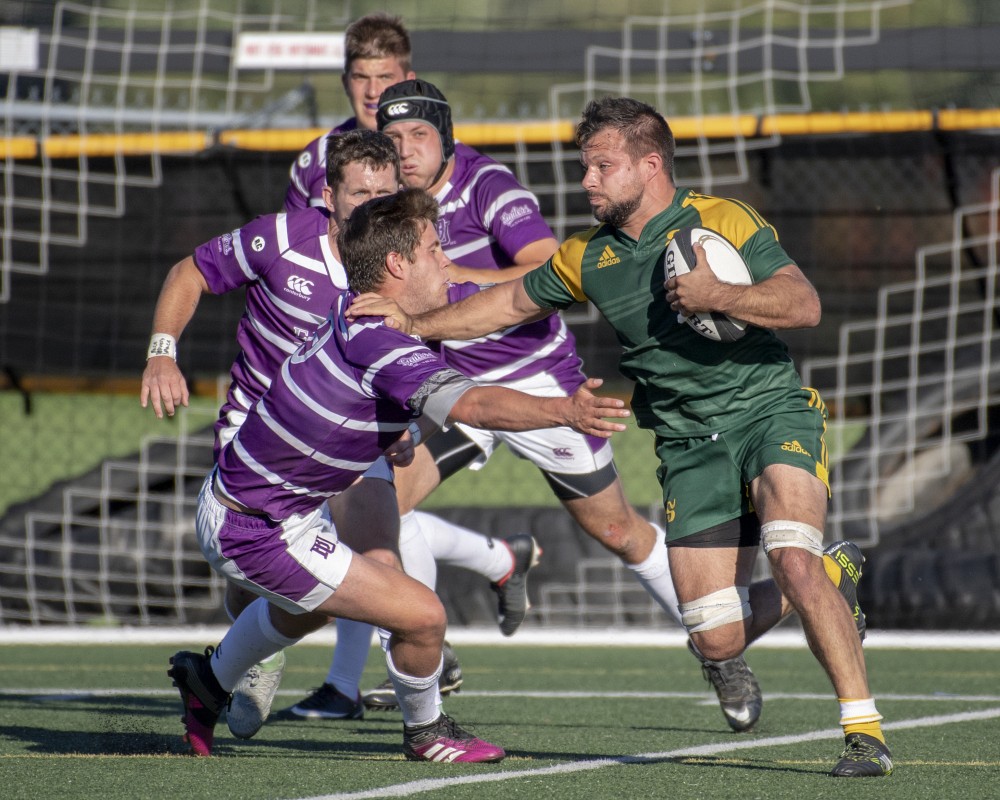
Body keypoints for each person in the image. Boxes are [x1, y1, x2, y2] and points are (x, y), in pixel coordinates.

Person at [348, 97, 891, 777]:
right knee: (717, 642)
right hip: (688, 447)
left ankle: (863, 732)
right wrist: (414, 324)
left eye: (601, 166)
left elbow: (803, 303)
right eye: (586, 167)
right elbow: (509, 303)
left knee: (793, 559)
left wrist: (723, 295)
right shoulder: (590, 256)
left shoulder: (721, 220)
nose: (586, 181)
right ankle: (838, 574)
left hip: (770, 414)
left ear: (650, 165)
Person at [292, 78, 765, 732]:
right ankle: (401, 655)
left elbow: (544, 268)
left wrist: (447, 286)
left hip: (537, 380)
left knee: (619, 531)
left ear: (447, 136)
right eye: (393, 139)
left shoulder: (489, 186)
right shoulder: (393, 207)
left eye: (418, 136)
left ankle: (720, 656)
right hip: (453, 384)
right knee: (373, 513)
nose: (405, 152)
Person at [165, 187, 632, 760]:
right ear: (396, 264)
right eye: (435, 248)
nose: (447, 258)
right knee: (422, 616)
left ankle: (207, 683)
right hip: (253, 528)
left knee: (309, 608)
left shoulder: (368, 307)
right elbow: (473, 407)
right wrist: (564, 410)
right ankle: (427, 733)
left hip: (273, 508)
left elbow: (507, 297)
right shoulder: (377, 336)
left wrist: (593, 276)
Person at [140, 129, 411, 739]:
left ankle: (419, 712)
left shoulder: (402, 265)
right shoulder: (281, 239)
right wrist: (162, 352)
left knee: (381, 565)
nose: (371, 202)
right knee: (267, 591)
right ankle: (247, 657)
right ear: (328, 195)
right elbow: (191, 272)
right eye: (358, 190)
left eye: (384, 191)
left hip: (349, 443)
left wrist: (401, 422)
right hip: (261, 440)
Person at [285, 13, 414, 211]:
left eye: (385, 77)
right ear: (345, 83)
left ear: (408, 82)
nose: (372, 91)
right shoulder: (317, 156)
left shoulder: (433, 156)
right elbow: (289, 238)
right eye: (361, 77)